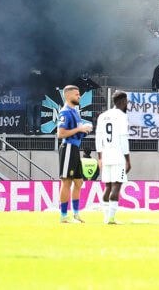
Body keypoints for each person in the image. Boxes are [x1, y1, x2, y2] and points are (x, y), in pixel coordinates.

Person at [56, 85, 92, 223]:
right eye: (77, 94)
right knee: (66, 182)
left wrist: (83, 130)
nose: (79, 96)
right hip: (68, 148)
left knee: (79, 182)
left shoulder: (75, 112)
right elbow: (61, 134)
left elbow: (77, 130)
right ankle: (64, 216)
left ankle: (76, 214)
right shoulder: (65, 112)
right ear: (68, 96)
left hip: (75, 148)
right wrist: (79, 128)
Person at [95, 90, 130, 224]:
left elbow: (98, 138)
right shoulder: (121, 116)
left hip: (106, 155)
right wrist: (128, 160)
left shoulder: (102, 116)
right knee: (116, 186)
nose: (127, 104)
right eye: (126, 101)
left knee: (108, 187)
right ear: (122, 102)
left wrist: (100, 157)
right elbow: (123, 139)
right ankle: (111, 218)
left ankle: (105, 218)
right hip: (118, 155)